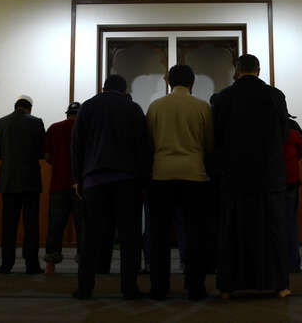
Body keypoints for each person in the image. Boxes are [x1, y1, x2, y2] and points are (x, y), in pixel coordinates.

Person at [212, 54, 290, 298]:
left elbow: (216, 138)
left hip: (235, 177)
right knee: (273, 231)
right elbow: (284, 135)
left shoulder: (224, 98)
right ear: (258, 70)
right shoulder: (275, 96)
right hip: (269, 176)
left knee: (232, 231)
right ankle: (280, 285)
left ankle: (228, 286)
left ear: (237, 70)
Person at [71, 74, 150, 300]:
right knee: (129, 237)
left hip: (94, 181)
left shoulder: (88, 107)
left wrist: (78, 178)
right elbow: (143, 147)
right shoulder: (132, 108)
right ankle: (129, 288)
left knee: (91, 237)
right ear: (124, 90)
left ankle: (85, 287)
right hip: (127, 181)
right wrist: (143, 181)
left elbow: (77, 145)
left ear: (103, 88)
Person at [146, 64, 214, 300]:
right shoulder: (202, 107)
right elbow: (209, 144)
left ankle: (159, 287)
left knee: (159, 236)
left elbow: (150, 142)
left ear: (169, 82)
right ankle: (195, 287)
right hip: (194, 175)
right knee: (196, 234)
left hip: (161, 175)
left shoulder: (155, 106)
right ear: (192, 83)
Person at [0, 95, 45, 275]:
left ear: (15, 107)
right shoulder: (37, 122)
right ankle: (32, 265)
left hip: (8, 181)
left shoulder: (2, 122)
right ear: (29, 108)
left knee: (9, 225)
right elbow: (41, 151)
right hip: (30, 181)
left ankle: (6, 264)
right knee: (31, 225)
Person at [43, 101, 83, 273]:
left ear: (67, 113)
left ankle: (50, 264)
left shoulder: (54, 128)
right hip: (81, 186)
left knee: (55, 226)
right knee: (83, 225)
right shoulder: (85, 129)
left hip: (58, 184)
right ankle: (84, 262)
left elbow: (47, 157)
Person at [282, 115, 302, 273]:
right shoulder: (293, 127)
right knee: (290, 222)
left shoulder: (265, 124)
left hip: (271, 182)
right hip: (291, 179)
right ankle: (293, 263)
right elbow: (301, 151)